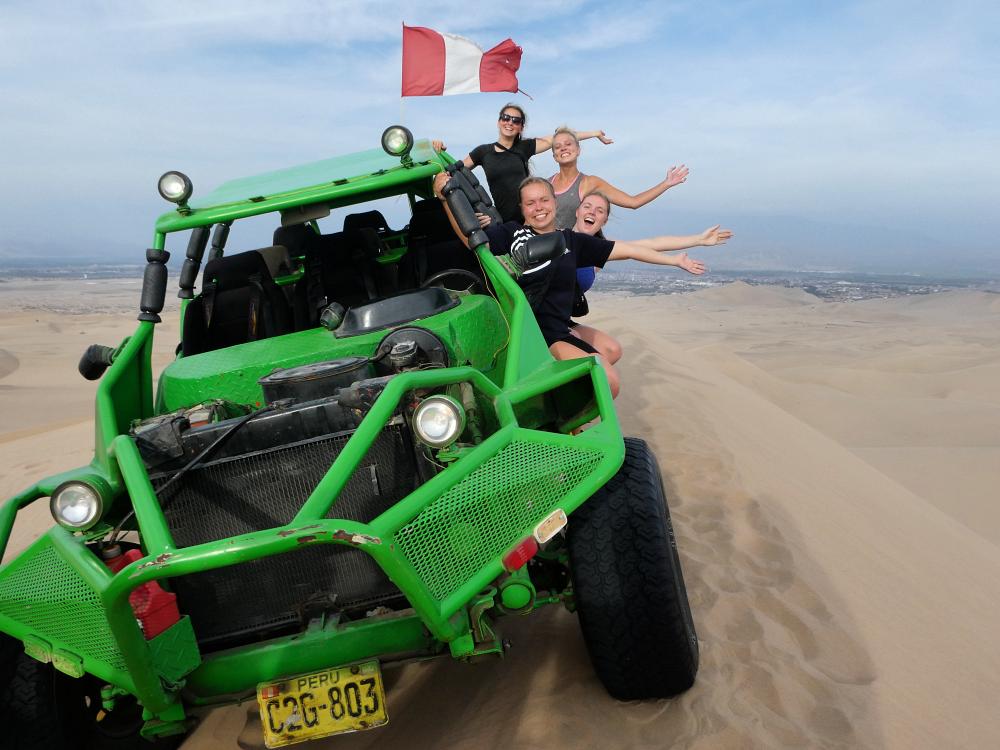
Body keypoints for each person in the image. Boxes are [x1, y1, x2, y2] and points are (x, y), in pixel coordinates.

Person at [433, 173, 732, 397]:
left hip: (560, 324)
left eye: (544, 200)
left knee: (611, 350)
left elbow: (635, 248)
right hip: (535, 331)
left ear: (555, 203)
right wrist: (446, 198)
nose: (539, 207)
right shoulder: (511, 234)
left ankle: (566, 400)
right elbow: (469, 238)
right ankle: (579, 430)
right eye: (530, 203)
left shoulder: (572, 241)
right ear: (523, 209)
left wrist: (686, 251)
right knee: (608, 379)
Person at [432, 105, 612, 224]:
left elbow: (562, 139)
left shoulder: (524, 147)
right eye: (505, 117)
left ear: (521, 127)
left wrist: (595, 133)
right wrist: (439, 152)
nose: (509, 122)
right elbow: (454, 171)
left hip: (531, 217)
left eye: (515, 120)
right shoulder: (483, 152)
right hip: (504, 220)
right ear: (499, 121)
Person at [548, 126, 689, 231]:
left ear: (578, 150)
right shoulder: (546, 185)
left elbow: (633, 202)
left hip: (574, 259)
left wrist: (666, 184)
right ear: (554, 155)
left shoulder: (590, 182)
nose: (563, 149)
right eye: (558, 147)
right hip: (545, 259)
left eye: (568, 144)